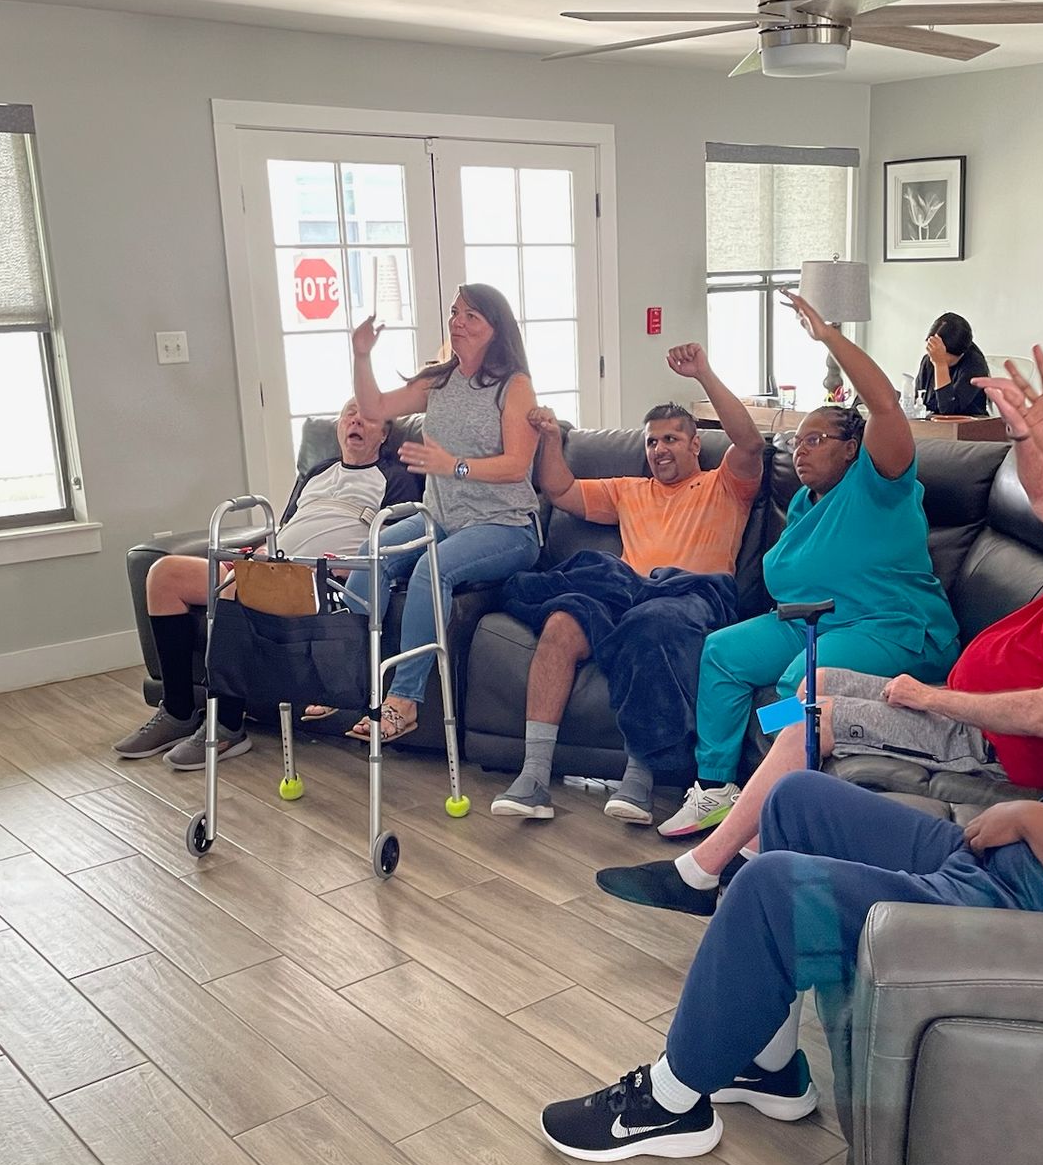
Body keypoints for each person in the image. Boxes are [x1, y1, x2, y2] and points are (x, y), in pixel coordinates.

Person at [540, 344, 1043, 1163]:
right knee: (794, 799)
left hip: (1037, 917)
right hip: (1001, 860)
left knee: (768, 882)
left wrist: (1038, 827)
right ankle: (770, 1064)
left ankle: (674, 1102)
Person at [597, 430, 1043, 913]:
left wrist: (931, 698)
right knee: (813, 686)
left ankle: (702, 871)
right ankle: (747, 840)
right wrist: (1025, 430)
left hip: (993, 742)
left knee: (816, 715)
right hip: (962, 701)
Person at [654, 291, 961, 838]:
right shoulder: (801, 503)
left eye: (816, 439)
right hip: (810, 621)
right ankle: (716, 787)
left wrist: (828, 338)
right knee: (722, 651)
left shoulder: (881, 483)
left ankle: (771, 804)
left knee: (800, 683)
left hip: (891, 628)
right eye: (797, 440)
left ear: (852, 447)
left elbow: (886, 405)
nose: (800, 450)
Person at [491, 343, 766, 824]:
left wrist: (703, 374)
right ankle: (534, 778)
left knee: (650, 625)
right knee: (560, 622)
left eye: (671, 440)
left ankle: (639, 778)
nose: (659, 449)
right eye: (652, 442)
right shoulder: (628, 491)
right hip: (626, 590)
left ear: (695, 444)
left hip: (691, 598)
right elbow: (559, 490)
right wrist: (552, 438)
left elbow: (749, 443)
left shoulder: (725, 484)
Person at [112, 398, 418, 768]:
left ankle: (226, 727)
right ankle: (177, 711)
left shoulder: (394, 479)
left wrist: (343, 569)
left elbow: (392, 549)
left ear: (384, 434)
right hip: (273, 566)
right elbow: (286, 529)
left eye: (367, 418)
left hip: (319, 583)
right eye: (348, 414)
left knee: (238, 586)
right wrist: (253, 551)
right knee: (164, 575)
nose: (355, 421)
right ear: (338, 427)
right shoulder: (318, 472)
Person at [306, 284, 541, 743]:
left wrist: (453, 465)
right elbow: (375, 407)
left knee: (431, 570)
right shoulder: (439, 379)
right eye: (454, 312)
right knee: (372, 552)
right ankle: (345, 680)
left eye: (471, 316)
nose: (458, 322)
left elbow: (516, 466)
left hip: (506, 525)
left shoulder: (515, 387)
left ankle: (405, 701)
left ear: (496, 328)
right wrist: (360, 356)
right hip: (442, 517)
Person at [914, 311, 992, 417]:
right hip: (932, 428)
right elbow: (920, 401)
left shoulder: (975, 365)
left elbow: (949, 410)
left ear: (961, 353)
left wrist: (940, 365)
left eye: (942, 355)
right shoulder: (929, 359)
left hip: (968, 428)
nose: (933, 357)